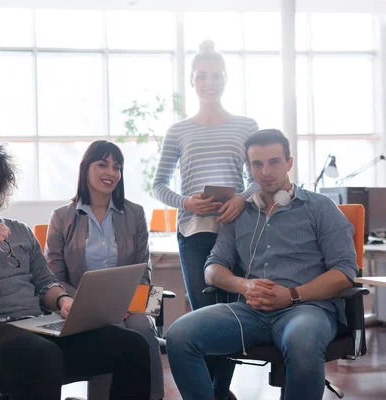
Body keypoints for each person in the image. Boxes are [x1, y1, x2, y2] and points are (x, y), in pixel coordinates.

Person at [0, 133, 152, 400]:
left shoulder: (19, 230)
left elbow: (45, 282)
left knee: (131, 345)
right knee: (43, 356)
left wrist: (63, 300)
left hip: (39, 325)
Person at [166, 129, 359, 400]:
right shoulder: (239, 214)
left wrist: (291, 295)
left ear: (289, 163)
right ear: (249, 168)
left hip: (306, 309)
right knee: (179, 335)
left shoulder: (320, 207)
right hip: (250, 311)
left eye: (274, 162)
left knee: (302, 342)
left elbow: (344, 272)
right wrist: (243, 285)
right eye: (257, 164)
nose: (265, 171)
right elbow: (213, 268)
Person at [152, 39, 259, 398]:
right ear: (192, 82)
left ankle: (215, 392)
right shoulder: (178, 131)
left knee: (228, 318)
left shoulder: (246, 125)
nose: (208, 82)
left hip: (237, 232)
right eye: (201, 76)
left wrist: (243, 199)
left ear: (226, 79)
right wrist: (187, 202)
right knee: (204, 316)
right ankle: (216, 394)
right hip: (194, 232)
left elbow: (257, 179)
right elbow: (158, 185)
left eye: (215, 75)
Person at [45, 140, 164, 400]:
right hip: (81, 306)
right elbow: (53, 276)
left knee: (143, 327)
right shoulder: (61, 217)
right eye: (102, 164)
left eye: (117, 167)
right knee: (114, 332)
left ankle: (153, 397)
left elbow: (144, 268)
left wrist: (129, 303)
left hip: (132, 301)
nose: (111, 172)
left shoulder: (135, 213)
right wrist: (90, 306)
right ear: (86, 168)